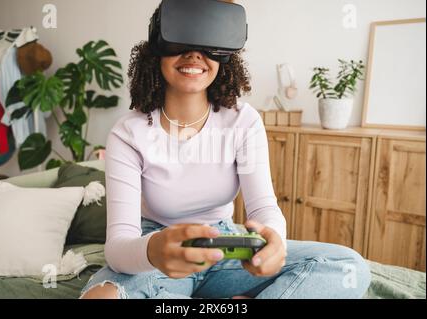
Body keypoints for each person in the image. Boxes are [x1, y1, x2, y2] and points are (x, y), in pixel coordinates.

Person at [80, 6, 371, 299]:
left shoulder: (243, 121)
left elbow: (264, 208)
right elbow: (118, 246)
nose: (194, 55)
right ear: (156, 51)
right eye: (180, 42)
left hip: (225, 246)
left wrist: (274, 241)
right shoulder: (128, 133)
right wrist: (154, 249)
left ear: (224, 57)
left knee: (348, 267)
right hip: (160, 249)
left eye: (207, 45)